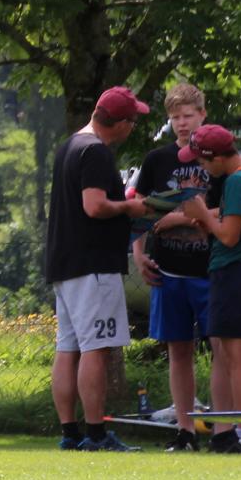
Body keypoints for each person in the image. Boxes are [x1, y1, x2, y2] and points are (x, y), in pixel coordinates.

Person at [45, 85, 149, 451]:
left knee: (68, 348)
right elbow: (94, 206)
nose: (133, 127)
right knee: (97, 347)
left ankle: (69, 433)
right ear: (119, 122)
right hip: (93, 265)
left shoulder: (69, 146)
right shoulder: (96, 151)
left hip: (64, 262)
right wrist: (131, 208)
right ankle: (95, 433)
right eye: (133, 120)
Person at [129, 83, 222, 451]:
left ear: (202, 115)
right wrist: (139, 254)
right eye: (175, 117)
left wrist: (180, 217)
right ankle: (185, 429)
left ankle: (224, 427)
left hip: (211, 269)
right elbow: (142, 210)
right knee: (178, 351)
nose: (182, 123)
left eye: (188, 116)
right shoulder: (157, 160)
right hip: (168, 270)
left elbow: (229, 210)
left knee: (221, 349)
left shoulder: (217, 158)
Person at [179, 124, 241, 453]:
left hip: (234, 273)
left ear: (217, 157)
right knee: (234, 356)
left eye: (202, 161)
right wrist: (213, 219)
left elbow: (229, 237)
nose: (202, 167)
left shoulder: (237, 181)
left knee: (237, 359)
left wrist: (203, 216)